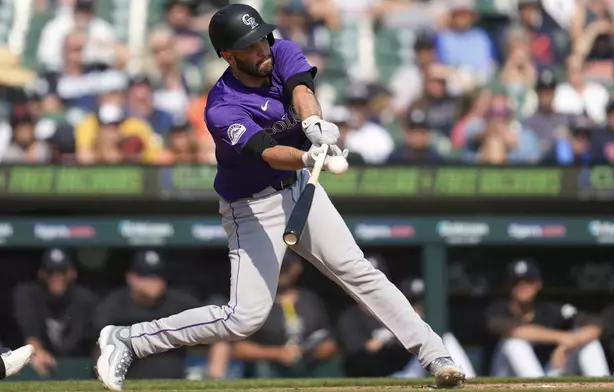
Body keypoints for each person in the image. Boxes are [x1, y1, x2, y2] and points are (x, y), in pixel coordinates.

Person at [95, 4, 465, 391]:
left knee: (359, 270)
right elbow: (268, 151)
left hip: (299, 187)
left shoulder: (282, 50)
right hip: (252, 206)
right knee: (244, 318)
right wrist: (307, 154)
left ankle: (435, 356)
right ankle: (130, 339)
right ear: (227, 54)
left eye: (261, 39)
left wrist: (313, 124)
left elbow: (301, 90)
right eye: (250, 46)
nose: (262, 50)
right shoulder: (222, 106)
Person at [486, 259, 609, 377]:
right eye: (516, 282)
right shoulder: (497, 309)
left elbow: (595, 324)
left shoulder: (549, 309)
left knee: (589, 342)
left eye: (528, 280)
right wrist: (563, 338)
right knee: (513, 342)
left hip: (546, 376)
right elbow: (516, 331)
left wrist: (567, 344)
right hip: (506, 378)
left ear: (538, 284)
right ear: (508, 285)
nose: (522, 286)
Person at [230, 251, 338, 378]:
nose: (281, 272)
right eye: (277, 267)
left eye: (286, 267)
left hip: (308, 366)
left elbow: (328, 340)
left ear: (297, 268)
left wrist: (318, 351)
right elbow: (238, 349)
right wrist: (278, 353)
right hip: (269, 370)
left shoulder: (310, 300)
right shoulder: (255, 302)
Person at [95, 250, 201, 380]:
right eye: (145, 276)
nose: (153, 282)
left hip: (175, 383)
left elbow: (218, 330)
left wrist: (214, 374)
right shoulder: (114, 306)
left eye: (157, 276)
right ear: (131, 278)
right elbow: (98, 348)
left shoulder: (180, 304)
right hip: (128, 384)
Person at [12, 249, 98, 377]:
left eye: (62, 271)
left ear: (73, 273)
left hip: (79, 368)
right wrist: (36, 351)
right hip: (37, 368)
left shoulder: (86, 298)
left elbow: (96, 338)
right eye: (50, 271)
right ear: (41, 274)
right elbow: (30, 331)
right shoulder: (27, 294)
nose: (56, 277)